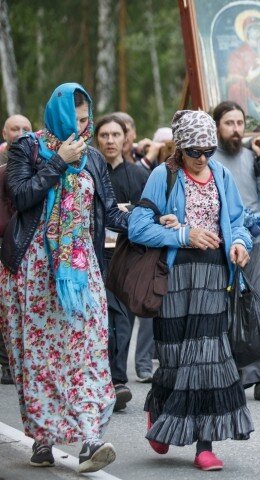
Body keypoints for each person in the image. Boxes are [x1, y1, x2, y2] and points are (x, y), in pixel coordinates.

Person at [0, 83, 129, 472]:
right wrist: (57, 161)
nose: (82, 127)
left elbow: (111, 212)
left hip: (77, 270)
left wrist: (159, 220)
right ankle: (42, 437)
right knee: (37, 357)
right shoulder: (28, 148)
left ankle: (90, 439)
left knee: (86, 351)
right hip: (31, 269)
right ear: (57, 116)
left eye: (86, 119)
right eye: (74, 120)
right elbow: (21, 196)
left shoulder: (91, 157)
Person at [128, 110, 253, 471]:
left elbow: (236, 222)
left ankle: (204, 445)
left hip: (214, 275)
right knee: (175, 358)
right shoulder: (162, 176)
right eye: (195, 151)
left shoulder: (222, 174)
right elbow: (138, 227)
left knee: (208, 358)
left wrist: (240, 244)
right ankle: (160, 413)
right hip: (174, 278)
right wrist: (184, 234)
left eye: (209, 151)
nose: (203, 159)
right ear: (180, 148)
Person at [212, 101, 260, 402]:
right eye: (229, 123)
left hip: (256, 241)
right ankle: (234, 376)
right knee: (228, 310)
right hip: (221, 244)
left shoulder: (253, 156)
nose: (235, 129)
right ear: (217, 126)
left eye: (239, 123)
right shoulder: (209, 159)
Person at [95, 114, 153, 406]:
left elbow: (149, 213)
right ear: (97, 139)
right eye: (104, 135)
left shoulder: (139, 175)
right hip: (94, 256)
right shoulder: (89, 172)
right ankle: (104, 380)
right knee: (103, 318)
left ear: (125, 138)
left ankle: (117, 380)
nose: (110, 140)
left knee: (123, 319)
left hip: (127, 255)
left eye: (115, 135)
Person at [0, 114, 33, 385]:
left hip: (28, 245)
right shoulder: (2, 170)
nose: (21, 133)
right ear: (4, 133)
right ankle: (7, 361)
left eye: (26, 129)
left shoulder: (36, 169)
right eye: (15, 129)